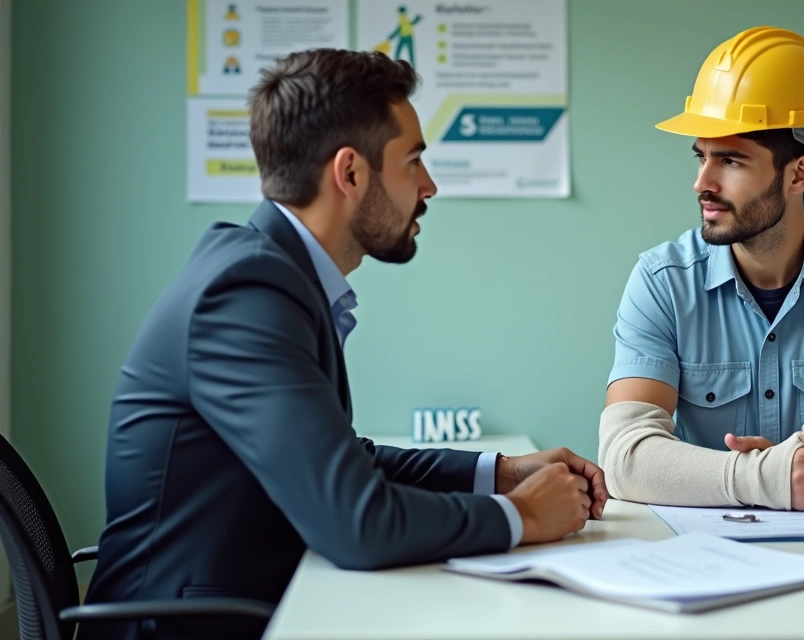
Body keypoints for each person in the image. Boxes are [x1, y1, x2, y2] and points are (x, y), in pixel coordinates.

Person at [81, 49, 608, 640]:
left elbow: (346, 464)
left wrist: (499, 472)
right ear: (351, 173)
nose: (429, 187)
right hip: (186, 628)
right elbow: (356, 523)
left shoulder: (273, 275)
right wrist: (524, 515)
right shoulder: (245, 294)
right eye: (413, 162)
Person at [598, 27, 804, 514]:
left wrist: (795, 474)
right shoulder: (662, 282)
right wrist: (769, 477)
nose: (702, 183)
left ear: (799, 173)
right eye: (701, 157)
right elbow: (624, 457)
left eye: (730, 160)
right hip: (704, 560)